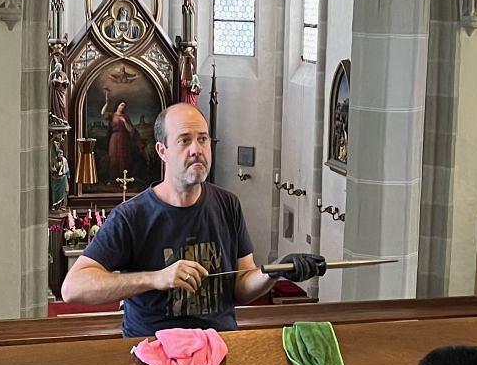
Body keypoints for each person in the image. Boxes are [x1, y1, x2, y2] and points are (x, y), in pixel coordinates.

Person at [61, 103, 325, 337]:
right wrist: (156, 279)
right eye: (184, 140)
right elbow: (73, 288)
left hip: (218, 346)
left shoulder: (228, 204)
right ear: (162, 151)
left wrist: (277, 271)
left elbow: (241, 285)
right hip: (155, 352)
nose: (197, 150)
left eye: (203, 139)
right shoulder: (131, 216)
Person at [101, 91, 137, 181]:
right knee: (113, 158)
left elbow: (131, 130)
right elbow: (102, 113)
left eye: (124, 106)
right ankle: (113, 179)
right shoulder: (112, 115)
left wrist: (124, 121)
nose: (123, 107)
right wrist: (106, 103)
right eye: (121, 105)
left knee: (123, 158)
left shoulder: (126, 117)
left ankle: (123, 180)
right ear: (118, 105)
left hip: (124, 139)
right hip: (114, 138)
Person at [49, 60, 69, 124]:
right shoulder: (52, 74)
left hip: (62, 91)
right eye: (57, 67)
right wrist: (53, 81)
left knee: (63, 105)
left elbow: (67, 82)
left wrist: (65, 82)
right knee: (55, 105)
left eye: (59, 67)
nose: (58, 69)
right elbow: (49, 83)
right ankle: (55, 119)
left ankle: (63, 118)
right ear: (56, 67)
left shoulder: (64, 74)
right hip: (54, 91)